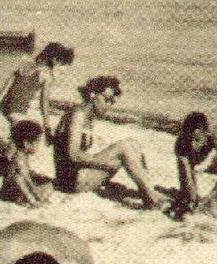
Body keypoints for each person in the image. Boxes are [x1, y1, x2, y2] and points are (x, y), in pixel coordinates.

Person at [52, 76, 164, 209]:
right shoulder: (78, 115)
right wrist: (106, 162)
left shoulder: (87, 116)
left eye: (112, 102)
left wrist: (108, 161)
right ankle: (151, 198)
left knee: (133, 144)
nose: (109, 105)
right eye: (107, 100)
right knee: (125, 147)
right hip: (70, 181)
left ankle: (148, 190)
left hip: (80, 175)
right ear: (93, 95)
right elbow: (73, 154)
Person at [0, 42, 75, 139]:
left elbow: (7, 86)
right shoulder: (46, 75)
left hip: (5, 106)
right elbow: (44, 102)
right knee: (26, 140)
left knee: (17, 139)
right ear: (54, 61)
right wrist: (47, 126)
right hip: (18, 110)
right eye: (62, 65)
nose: (62, 70)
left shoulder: (25, 65)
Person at [171, 112, 217, 221]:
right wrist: (193, 198)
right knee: (188, 196)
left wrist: (210, 197)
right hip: (193, 165)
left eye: (197, 140)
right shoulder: (181, 143)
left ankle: (212, 202)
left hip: (212, 164)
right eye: (190, 139)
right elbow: (187, 176)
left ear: (206, 133)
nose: (192, 144)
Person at [0, 120, 54, 207]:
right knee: (19, 178)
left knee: (48, 185)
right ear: (26, 144)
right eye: (36, 142)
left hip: (18, 189)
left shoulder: (23, 155)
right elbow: (26, 179)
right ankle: (31, 201)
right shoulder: (19, 158)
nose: (38, 146)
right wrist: (35, 192)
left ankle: (30, 198)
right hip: (11, 190)